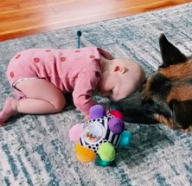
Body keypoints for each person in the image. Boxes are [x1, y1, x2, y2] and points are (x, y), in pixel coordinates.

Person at [0, 46, 146, 126]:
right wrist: (98, 110)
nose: (103, 95)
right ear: (118, 69)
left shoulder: (100, 54)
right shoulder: (92, 72)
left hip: (25, 58)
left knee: (52, 92)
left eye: (108, 97)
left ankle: (28, 91)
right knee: (57, 102)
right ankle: (16, 105)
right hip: (28, 72)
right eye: (110, 91)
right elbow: (80, 100)